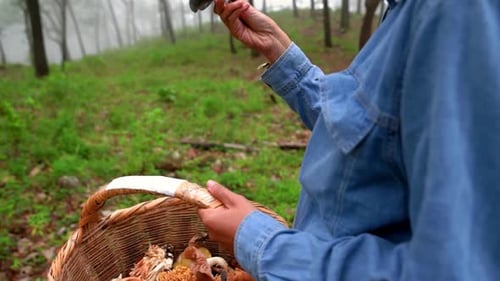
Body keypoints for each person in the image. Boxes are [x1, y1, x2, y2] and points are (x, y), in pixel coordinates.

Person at [198, 0, 500, 280]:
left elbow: (452, 270)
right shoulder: (404, 10)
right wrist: (282, 56)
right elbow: (378, 140)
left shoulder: (456, 14)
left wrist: (265, 244)